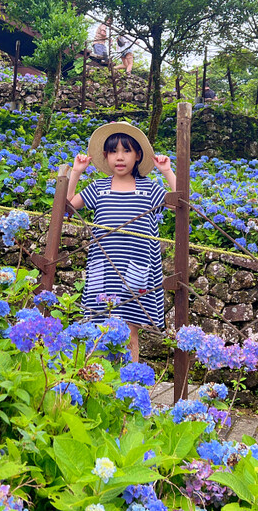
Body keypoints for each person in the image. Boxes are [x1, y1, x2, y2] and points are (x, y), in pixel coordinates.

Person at [67, 121, 176, 362]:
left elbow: (180, 204)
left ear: (138, 155)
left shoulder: (149, 188)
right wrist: (76, 172)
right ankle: (97, 383)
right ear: (105, 156)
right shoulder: (98, 188)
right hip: (102, 269)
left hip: (137, 270)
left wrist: (167, 172)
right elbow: (65, 208)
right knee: (98, 330)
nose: (120, 157)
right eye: (113, 151)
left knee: (129, 333)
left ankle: (129, 383)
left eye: (126, 151)